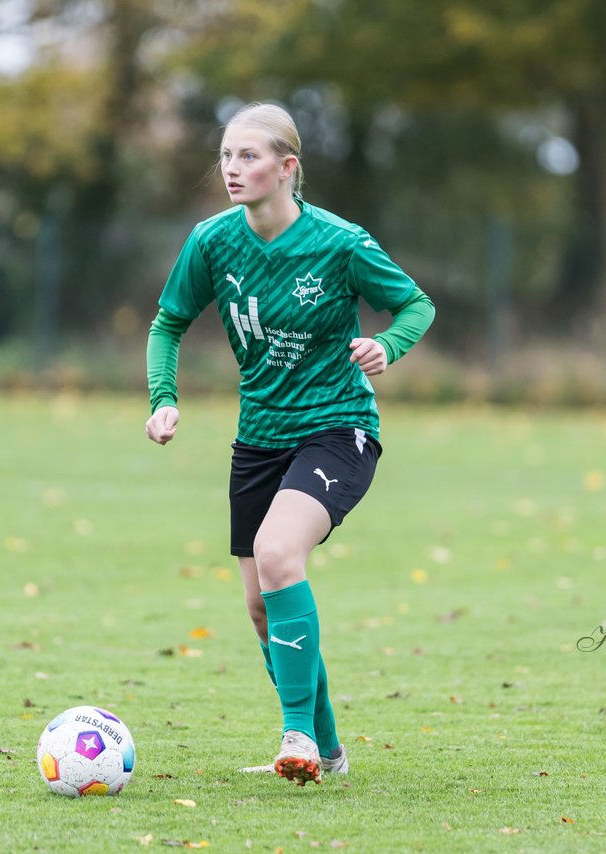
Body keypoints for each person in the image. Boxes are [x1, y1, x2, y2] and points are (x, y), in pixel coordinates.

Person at [144, 103, 435, 784]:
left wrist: (386, 345)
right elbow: (168, 323)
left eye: (248, 156)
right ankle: (327, 754)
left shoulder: (339, 242)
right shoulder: (213, 242)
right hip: (260, 440)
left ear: (287, 168)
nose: (232, 169)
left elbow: (415, 304)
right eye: (224, 156)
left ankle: (297, 733)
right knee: (258, 602)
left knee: (279, 554)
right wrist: (164, 398)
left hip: (339, 429)